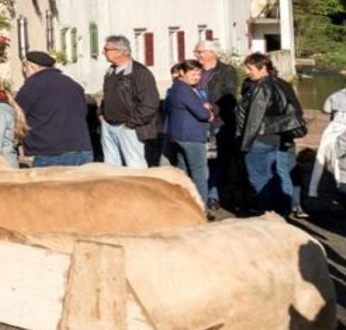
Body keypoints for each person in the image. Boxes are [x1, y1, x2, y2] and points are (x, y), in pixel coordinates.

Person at [236, 52, 304, 217]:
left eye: (250, 68)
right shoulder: (278, 84)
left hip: (259, 138)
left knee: (260, 179)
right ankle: (283, 212)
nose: (247, 71)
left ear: (263, 68)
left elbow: (255, 119)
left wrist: (245, 144)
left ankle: (270, 214)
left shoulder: (262, 88)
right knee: (276, 176)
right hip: (274, 137)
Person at [15, 51, 93, 167]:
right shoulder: (73, 84)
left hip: (49, 152)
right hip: (81, 149)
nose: (24, 72)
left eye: (24, 68)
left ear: (31, 67)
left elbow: (17, 117)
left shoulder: (31, 87)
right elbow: (84, 112)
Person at [195, 40, 242, 211]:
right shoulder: (195, 69)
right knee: (201, 160)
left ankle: (213, 196)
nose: (197, 55)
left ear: (211, 53)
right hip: (197, 121)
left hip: (218, 122)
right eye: (196, 52)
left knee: (216, 160)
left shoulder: (226, 71)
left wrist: (212, 108)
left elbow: (229, 96)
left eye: (199, 52)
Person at [99, 35, 159, 168]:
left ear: (120, 52)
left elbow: (150, 103)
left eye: (106, 49)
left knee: (135, 167)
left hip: (128, 127)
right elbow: (108, 95)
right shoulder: (111, 71)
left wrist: (131, 124)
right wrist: (102, 114)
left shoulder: (140, 73)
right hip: (109, 125)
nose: (103, 52)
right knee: (110, 167)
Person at [163, 60, 214, 208]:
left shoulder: (181, 87)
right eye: (193, 74)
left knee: (183, 170)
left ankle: (183, 204)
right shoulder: (183, 89)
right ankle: (201, 207)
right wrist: (207, 111)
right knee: (199, 173)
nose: (197, 77)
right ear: (182, 73)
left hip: (181, 135)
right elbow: (202, 113)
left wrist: (205, 108)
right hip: (191, 136)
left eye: (199, 74)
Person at [309, 75, 346, 199]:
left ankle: (313, 189)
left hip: (338, 138)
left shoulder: (335, 96)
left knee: (322, 159)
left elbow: (326, 110)